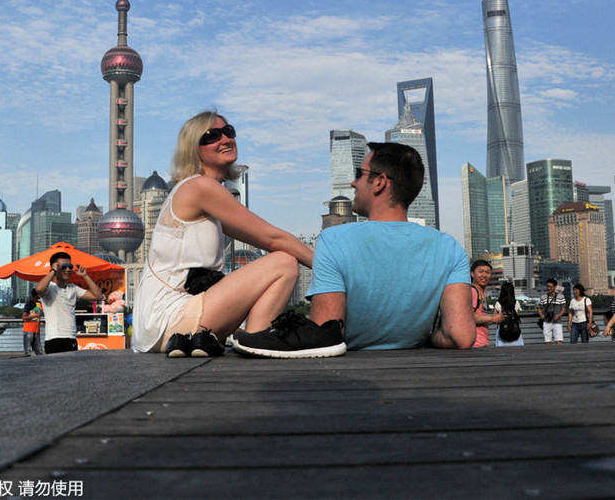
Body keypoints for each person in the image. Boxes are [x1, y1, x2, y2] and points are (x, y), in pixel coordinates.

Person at [233, 142, 476, 357]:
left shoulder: (333, 239)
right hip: (416, 378)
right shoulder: (449, 247)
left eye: (359, 174)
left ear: (380, 182)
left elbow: (325, 334)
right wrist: (429, 338)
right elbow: (461, 336)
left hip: (348, 387)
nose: (353, 182)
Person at [132, 111, 315, 357]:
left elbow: (266, 240)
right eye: (212, 136)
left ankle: (253, 337)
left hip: (161, 325)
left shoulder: (197, 193)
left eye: (229, 132)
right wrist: (332, 270)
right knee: (284, 262)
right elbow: (274, 239)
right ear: (193, 149)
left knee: (279, 260)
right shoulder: (200, 187)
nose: (226, 139)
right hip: (170, 317)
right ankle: (258, 340)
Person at [35, 251, 104, 354]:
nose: (68, 270)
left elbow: (98, 296)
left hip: (71, 337)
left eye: (70, 266)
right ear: (55, 268)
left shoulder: (73, 288)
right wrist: (53, 270)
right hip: (54, 338)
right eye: (63, 267)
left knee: (71, 370)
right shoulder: (50, 288)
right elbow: (39, 289)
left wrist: (85, 276)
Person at [470, 260, 504, 347]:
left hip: (481, 343)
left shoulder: (481, 293)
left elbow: (480, 317)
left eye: (488, 272)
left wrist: (496, 317)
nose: (484, 275)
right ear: (472, 274)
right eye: (480, 272)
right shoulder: (473, 291)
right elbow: (468, 317)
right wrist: (492, 318)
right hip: (475, 344)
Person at [494, 281, 523, 347]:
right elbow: (517, 315)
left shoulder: (498, 303)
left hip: (502, 332)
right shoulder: (516, 303)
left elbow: (494, 317)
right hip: (515, 332)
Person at [538, 279, 566, 345]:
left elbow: (563, 309)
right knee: (547, 341)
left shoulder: (561, 297)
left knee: (559, 341)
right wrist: (542, 315)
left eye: (550, 286)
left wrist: (558, 315)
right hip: (547, 321)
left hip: (557, 321)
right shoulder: (543, 297)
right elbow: (539, 308)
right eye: (548, 286)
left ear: (555, 287)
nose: (548, 288)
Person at [22, 288, 44, 356]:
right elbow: (24, 317)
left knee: (38, 350)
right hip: (29, 329)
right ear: (36, 295)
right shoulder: (29, 304)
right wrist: (36, 315)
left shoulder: (39, 304)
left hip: (36, 329)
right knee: (27, 350)